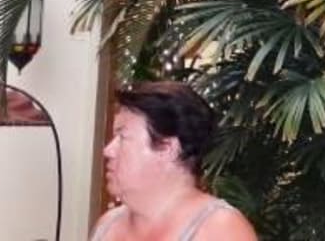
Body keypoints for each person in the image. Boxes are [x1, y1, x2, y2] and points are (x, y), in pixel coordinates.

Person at [91, 82, 257, 241]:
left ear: (167, 148)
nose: (108, 151)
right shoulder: (108, 226)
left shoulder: (220, 230)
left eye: (123, 137)